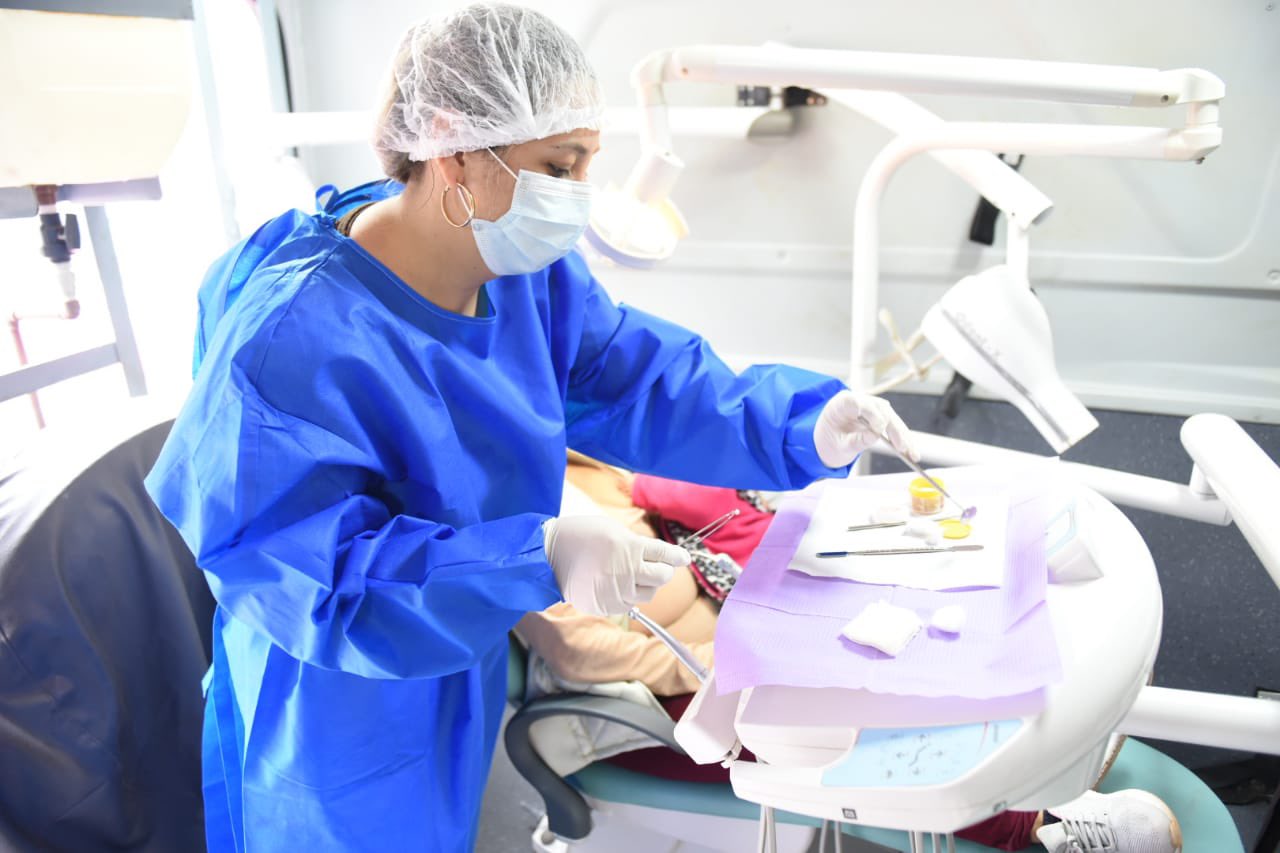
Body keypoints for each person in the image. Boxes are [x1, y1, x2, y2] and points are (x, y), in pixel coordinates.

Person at [143, 4, 918, 851]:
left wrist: (805, 423)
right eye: (559, 164)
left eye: (588, 162)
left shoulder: (516, 272)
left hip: (456, 646)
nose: (578, 194)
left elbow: (640, 380)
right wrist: (535, 556)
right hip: (329, 705)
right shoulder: (289, 341)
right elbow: (319, 581)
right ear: (454, 148)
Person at [523, 462, 1185, 853]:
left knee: (898, 612)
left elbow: (655, 485)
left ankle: (1032, 719)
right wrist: (732, 655)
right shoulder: (515, 528)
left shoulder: (572, 456)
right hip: (679, 681)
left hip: (729, 594)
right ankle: (1036, 826)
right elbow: (579, 651)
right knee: (840, 715)